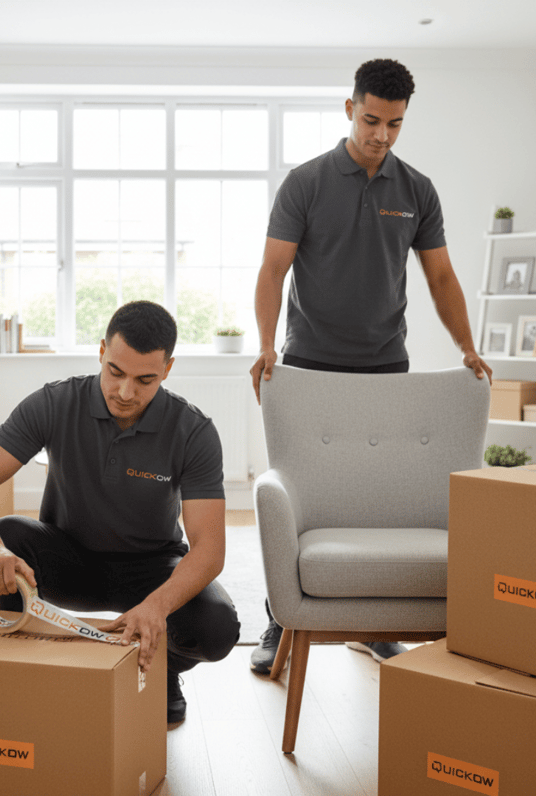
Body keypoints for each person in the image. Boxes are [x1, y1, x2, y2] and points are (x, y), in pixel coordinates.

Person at [248, 58, 492, 675]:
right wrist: (265, 344)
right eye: (371, 119)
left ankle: (376, 622)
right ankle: (281, 618)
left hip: (386, 363)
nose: (381, 134)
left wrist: (467, 347)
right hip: (307, 364)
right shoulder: (305, 183)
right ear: (349, 108)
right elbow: (273, 269)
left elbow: (440, 275)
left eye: (395, 124)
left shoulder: (417, 191)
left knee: (376, 495)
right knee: (300, 494)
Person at [0, 300, 240, 723]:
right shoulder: (53, 402)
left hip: (152, 567)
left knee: (216, 627)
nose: (125, 392)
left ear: (168, 369)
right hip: (69, 559)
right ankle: (30, 667)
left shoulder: (193, 430)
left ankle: (164, 670)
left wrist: (157, 606)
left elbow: (210, 550)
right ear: (102, 352)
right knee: (6, 534)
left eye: (145, 380)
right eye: (115, 372)